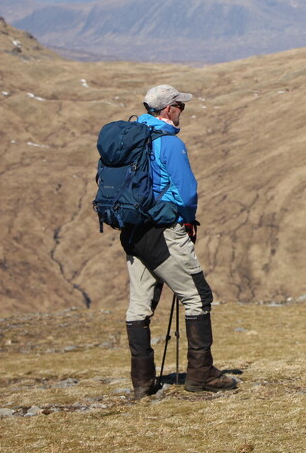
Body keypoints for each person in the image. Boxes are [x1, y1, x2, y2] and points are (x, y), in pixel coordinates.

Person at [121, 83, 237, 399]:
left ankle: (142, 382)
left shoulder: (131, 138)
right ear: (169, 109)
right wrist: (188, 221)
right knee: (198, 296)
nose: (183, 111)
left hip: (133, 232)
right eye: (180, 106)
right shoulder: (169, 144)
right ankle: (202, 375)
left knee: (140, 304)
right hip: (164, 229)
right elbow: (186, 191)